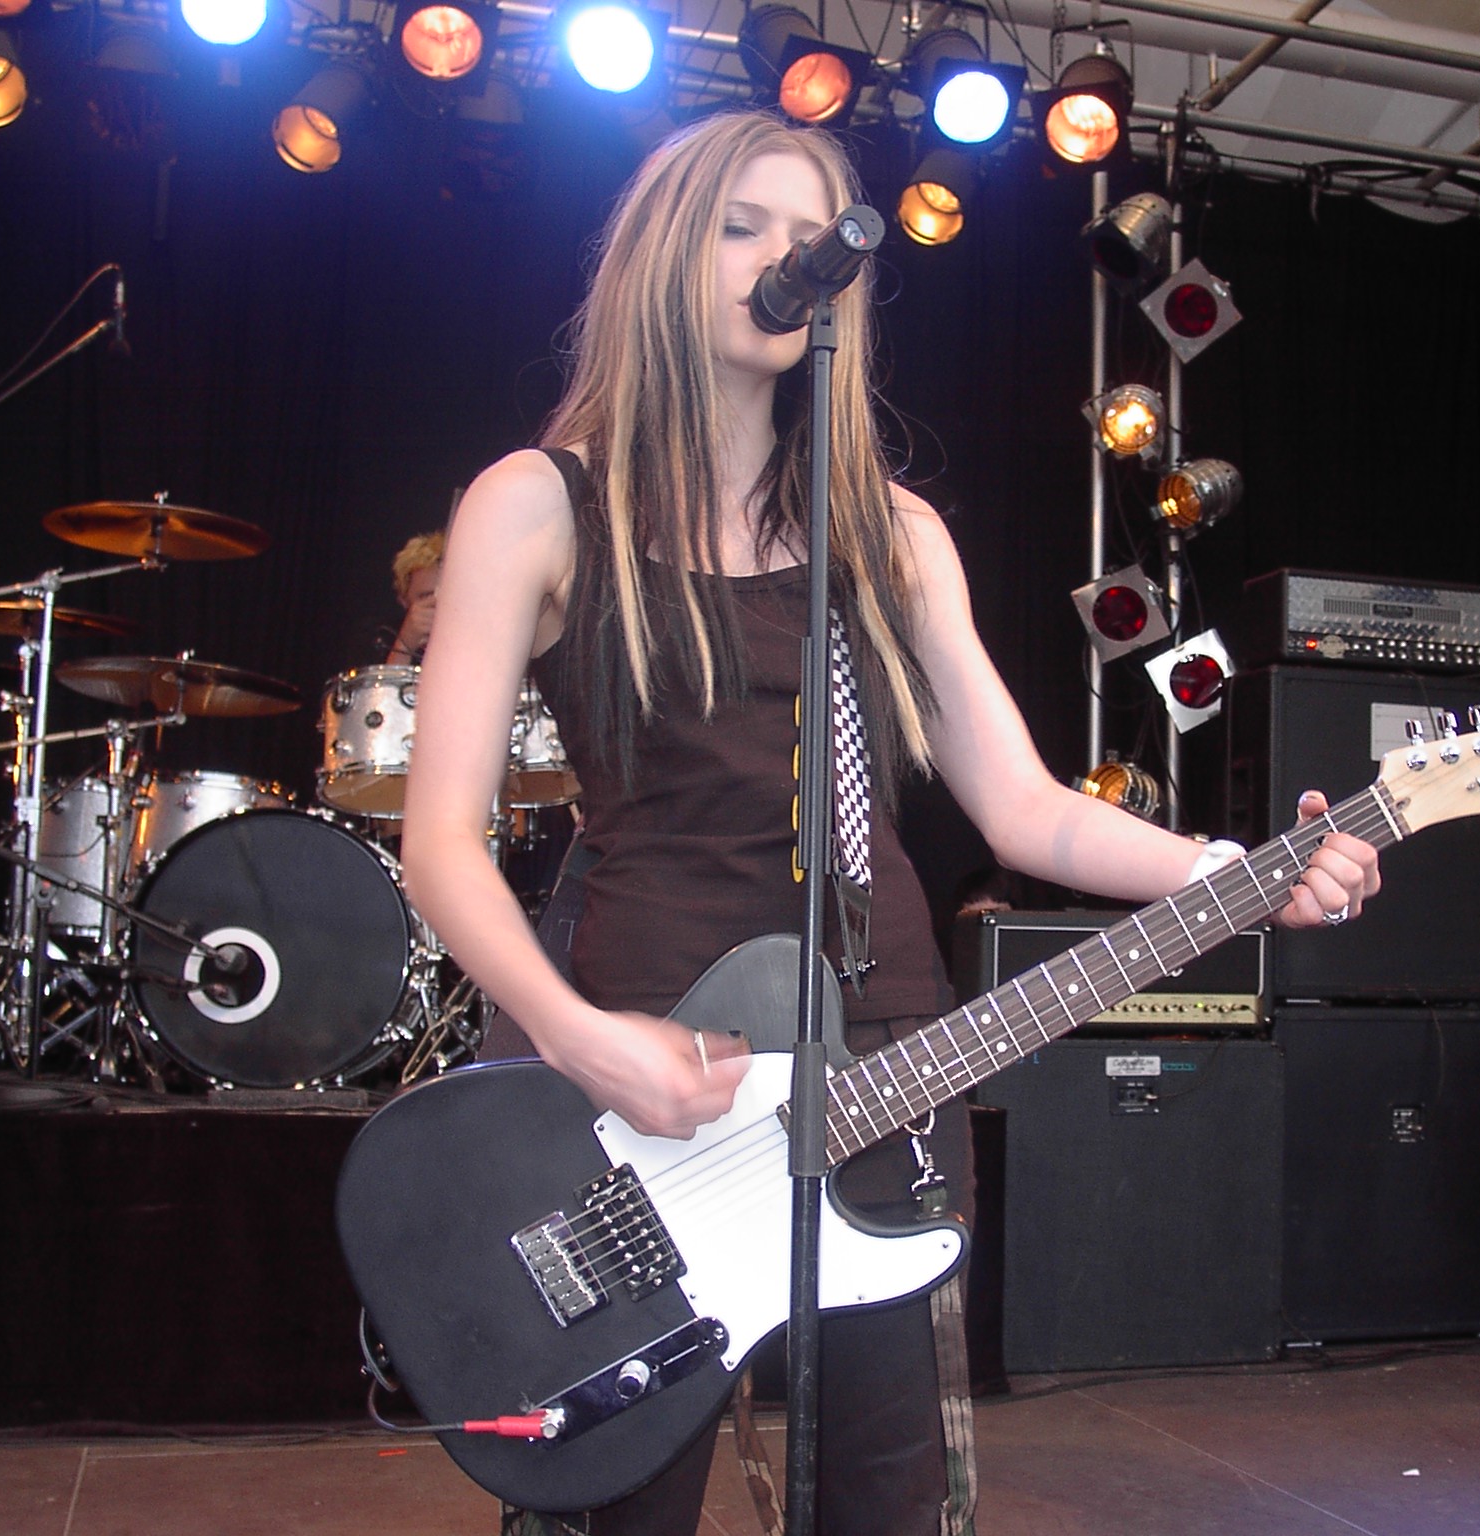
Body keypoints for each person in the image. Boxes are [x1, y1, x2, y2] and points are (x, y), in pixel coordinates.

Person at [398, 110, 1380, 1536]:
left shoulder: (891, 533)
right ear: (663, 252)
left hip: (881, 1056)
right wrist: (581, 1038)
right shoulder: (540, 505)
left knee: (886, 1495)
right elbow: (438, 842)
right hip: (636, 1064)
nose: (783, 261)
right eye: (741, 226)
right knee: (620, 1507)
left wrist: (1238, 871)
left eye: (812, 240)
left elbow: (1026, 810)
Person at [385, 530, 443, 665]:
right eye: (427, 596)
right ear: (404, 602)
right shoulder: (381, 639)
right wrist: (405, 645)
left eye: (445, 594)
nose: (437, 603)